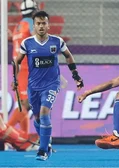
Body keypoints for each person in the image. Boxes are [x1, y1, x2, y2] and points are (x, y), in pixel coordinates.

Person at [13, 11, 84, 161]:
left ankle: (43, 150)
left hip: (51, 84)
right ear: (34, 26)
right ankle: (47, 142)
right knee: (38, 118)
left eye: (44, 23)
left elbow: (68, 56)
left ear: (48, 25)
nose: (41, 26)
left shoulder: (57, 42)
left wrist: (76, 76)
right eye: (38, 23)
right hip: (33, 86)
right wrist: (15, 79)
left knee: (45, 112)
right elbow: (17, 61)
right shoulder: (27, 43)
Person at [9, 0, 38, 142]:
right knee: (27, 104)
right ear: (33, 11)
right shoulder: (31, 23)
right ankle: (5, 132)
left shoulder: (17, 27)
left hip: (18, 67)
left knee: (23, 104)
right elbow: (38, 40)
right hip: (27, 67)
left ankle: (23, 138)